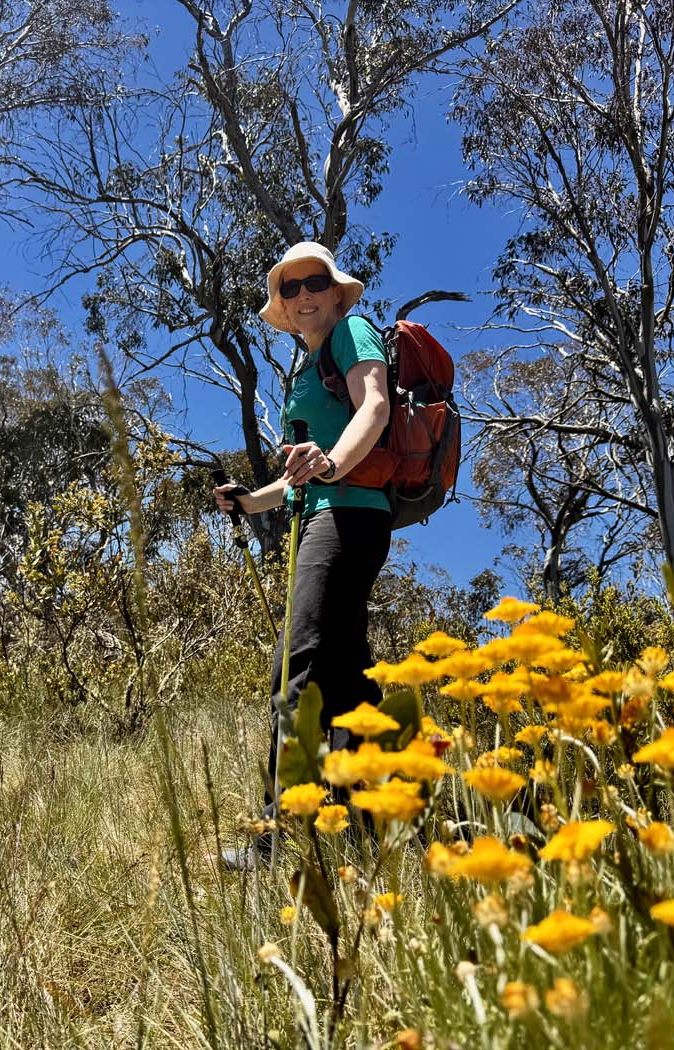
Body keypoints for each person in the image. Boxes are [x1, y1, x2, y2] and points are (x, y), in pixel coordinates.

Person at [214, 241, 393, 869]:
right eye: (289, 289)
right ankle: (369, 825)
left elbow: (375, 405)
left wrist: (333, 462)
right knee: (347, 678)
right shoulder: (304, 374)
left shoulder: (353, 332)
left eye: (314, 281)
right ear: (283, 307)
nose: (302, 295)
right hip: (322, 513)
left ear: (334, 290)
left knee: (301, 660)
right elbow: (296, 478)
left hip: (348, 516)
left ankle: (277, 832)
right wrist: (250, 503)